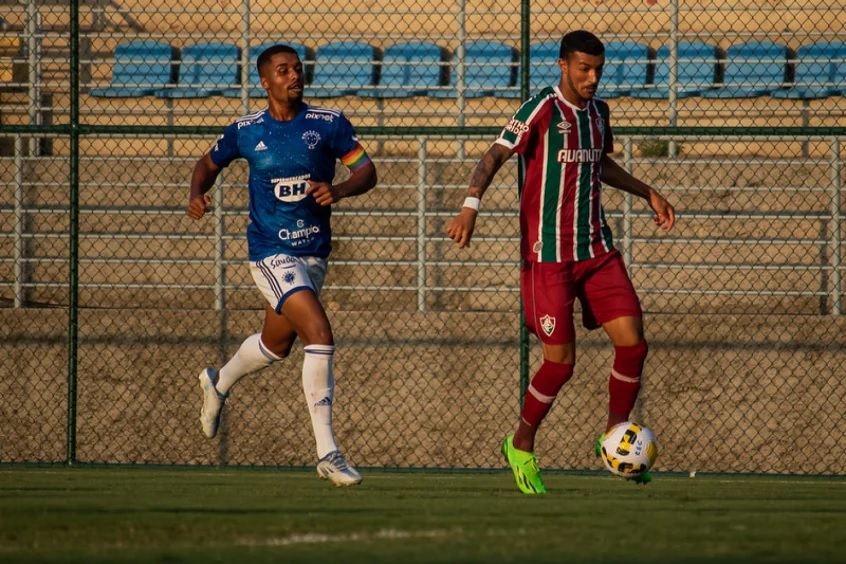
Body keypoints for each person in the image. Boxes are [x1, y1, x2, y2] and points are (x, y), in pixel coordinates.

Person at [446, 30, 675, 494]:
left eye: (598, 69)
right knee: (561, 363)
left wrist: (646, 190)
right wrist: (470, 206)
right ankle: (521, 443)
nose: (592, 78)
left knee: (633, 345)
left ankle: (615, 437)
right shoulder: (540, 109)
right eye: (584, 69)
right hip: (547, 259)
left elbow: (599, 165)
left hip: (597, 252)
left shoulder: (599, 113)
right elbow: (495, 154)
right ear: (564, 65)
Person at [187, 44, 377, 487]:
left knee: (276, 345)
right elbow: (206, 165)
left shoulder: (329, 123)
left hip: (313, 253)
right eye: (283, 70)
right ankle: (327, 451)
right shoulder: (245, 130)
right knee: (319, 333)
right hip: (270, 251)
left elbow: (367, 170)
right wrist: (197, 194)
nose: (294, 75)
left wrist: (341, 189)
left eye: (297, 68)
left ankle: (218, 381)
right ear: (265, 81)